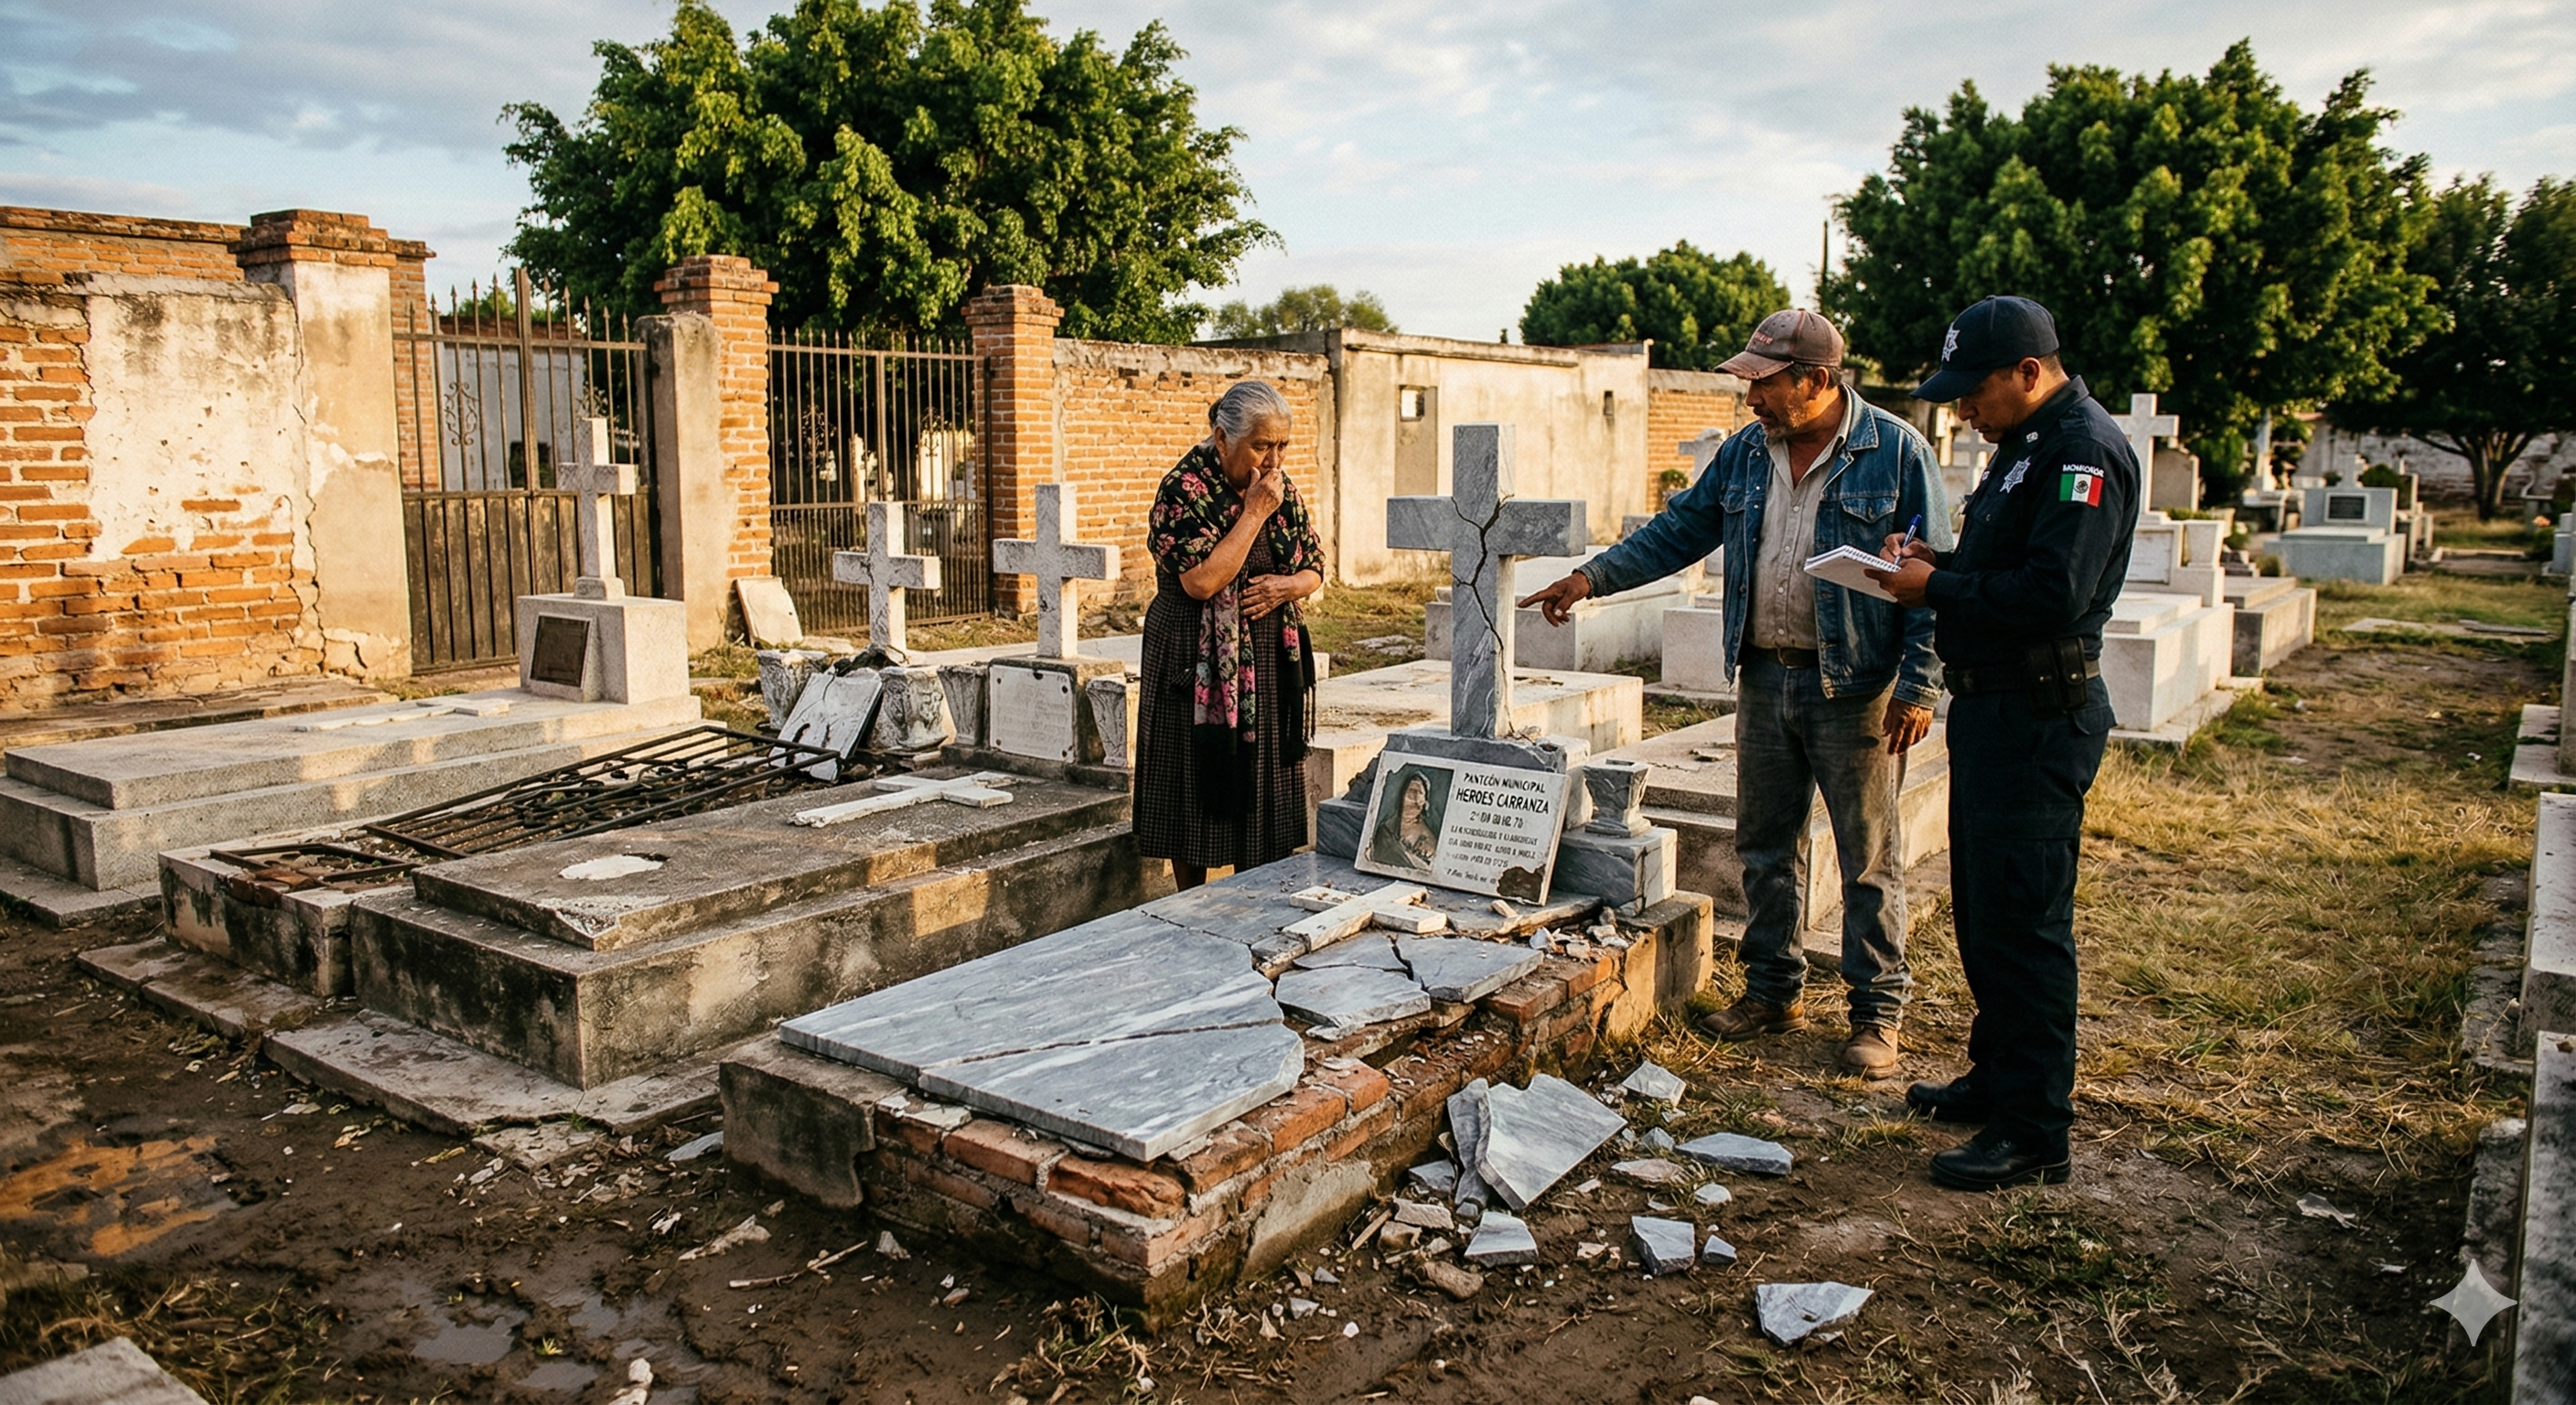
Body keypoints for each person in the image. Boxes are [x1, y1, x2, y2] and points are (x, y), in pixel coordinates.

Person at [1517, 308, 1948, 1077]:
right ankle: (1774, 989)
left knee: (1868, 856)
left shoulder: (1896, 452)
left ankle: (1876, 1014)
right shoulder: (1750, 452)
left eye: (1763, 382)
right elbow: (1678, 530)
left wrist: (1919, 685)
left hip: (1856, 687)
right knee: (1764, 847)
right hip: (1765, 672)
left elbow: (1931, 574)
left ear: (1815, 381)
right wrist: (1590, 578)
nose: (1749, 398)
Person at [1864, 295, 2137, 1191]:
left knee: (2024, 924)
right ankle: (1996, 1078)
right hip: (1991, 712)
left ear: (2028, 372)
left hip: (2037, 715)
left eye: (1970, 392)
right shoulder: (2023, 447)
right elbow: (1996, 567)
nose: (1958, 410)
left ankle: (2032, 1129)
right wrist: (1931, 564)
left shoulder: (2081, 451)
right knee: (1984, 911)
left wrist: (1929, 594)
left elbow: (2050, 594)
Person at [1134, 380, 1327, 890]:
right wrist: (1255, 512)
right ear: (1222, 439)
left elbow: (1314, 567)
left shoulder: (1283, 489)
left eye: (1282, 445)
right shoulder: (1184, 490)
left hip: (1265, 659)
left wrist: (1288, 586)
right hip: (1194, 660)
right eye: (1262, 446)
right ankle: (1188, 904)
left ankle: (1256, 895)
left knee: (1262, 783)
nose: (1273, 460)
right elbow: (1202, 582)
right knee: (1195, 782)